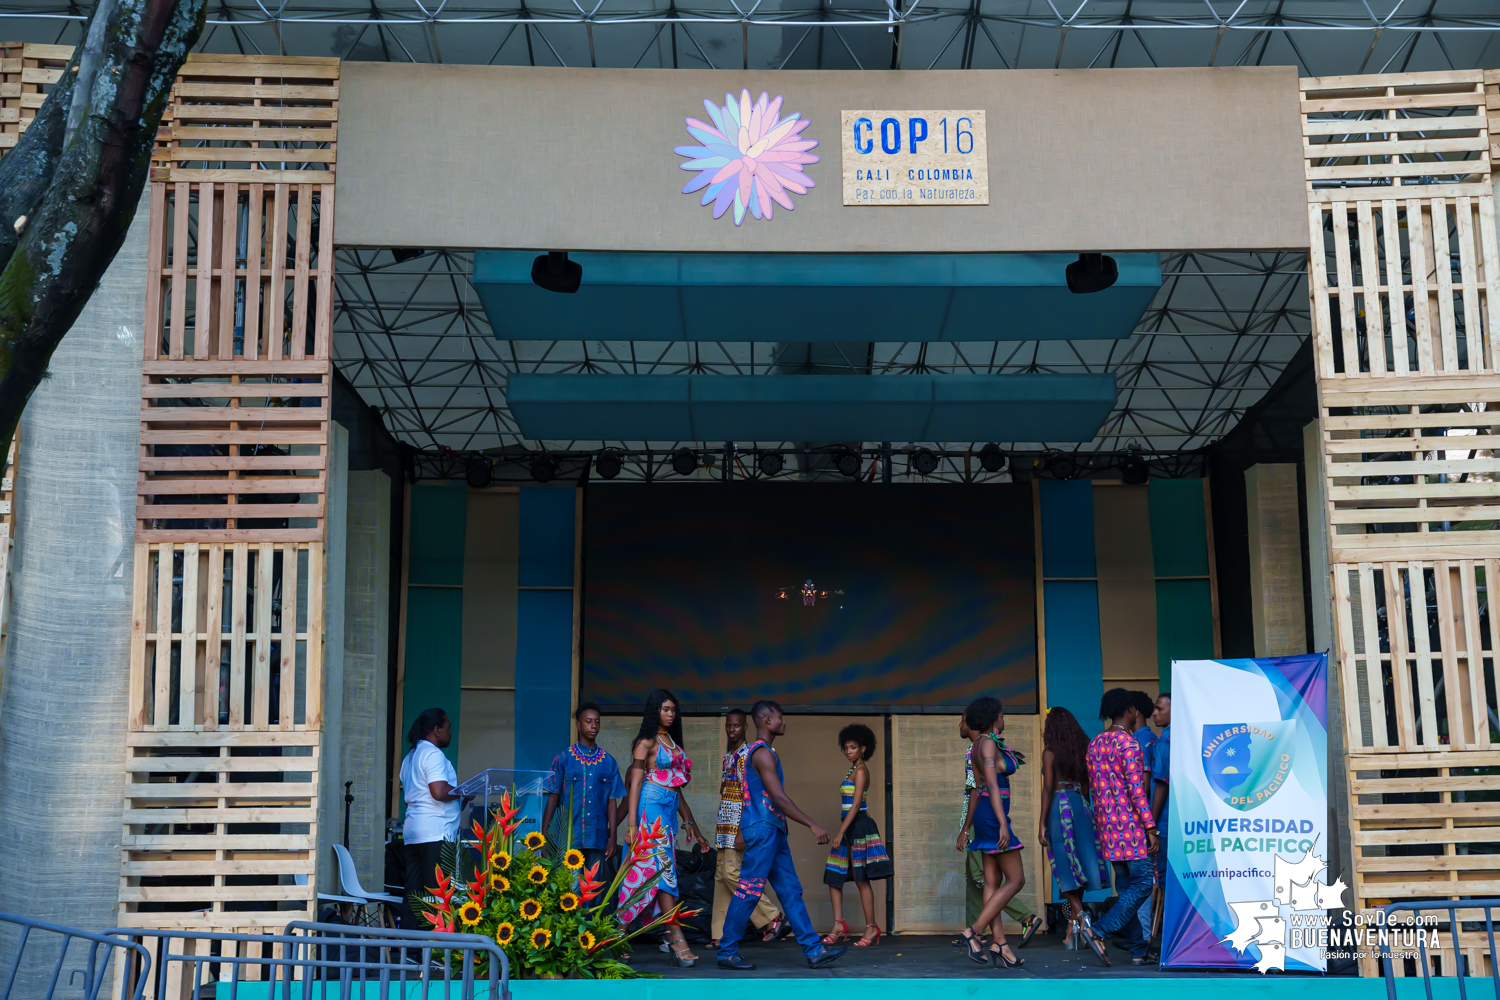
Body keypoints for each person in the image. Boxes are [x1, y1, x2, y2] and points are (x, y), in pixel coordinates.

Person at [716, 700, 847, 972]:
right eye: (780, 717)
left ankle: (813, 950)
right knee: (748, 891)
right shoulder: (761, 754)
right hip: (764, 830)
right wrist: (812, 824)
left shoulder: (765, 753)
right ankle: (726, 952)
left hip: (773, 830)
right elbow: (778, 797)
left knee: (790, 892)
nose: (784, 722)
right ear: (766, 721)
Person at [620, 689, 712, 967]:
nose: (671, 714)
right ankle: (674, 936)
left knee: (646, 874)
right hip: (649, 812)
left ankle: (617, 932)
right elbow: (635, 783)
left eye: (673, 709)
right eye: (665, 709)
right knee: (663, 873)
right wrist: (632, 824)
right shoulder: (645, 742)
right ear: (654, 711)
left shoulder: (671, 740)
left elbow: (675, 786)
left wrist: (691, 822)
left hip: (668, 815)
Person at [1085, 687, 1160, 966]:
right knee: (1142, 885)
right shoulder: (1129, 744)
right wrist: (1151, 828)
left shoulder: (1095, 744)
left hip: (1108, 832)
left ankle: (1139, 950)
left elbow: (1095, 791)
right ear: (1131, 710)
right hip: (1131, 830)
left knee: (1127, 888)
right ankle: (1098, 929)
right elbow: (1137, 790)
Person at [955, 716, 1041, 949]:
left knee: (992, 881)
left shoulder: (975, 746)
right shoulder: (988, 744)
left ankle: (1000, 944)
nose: (1004, 720)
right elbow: (991, 785)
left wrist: (966, 827)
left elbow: (976, 789)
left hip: (984, 814)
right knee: (1016, 879)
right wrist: (1003, 823)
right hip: (993, 815)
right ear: (993, 718)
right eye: (1002, 716)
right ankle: (973, 931)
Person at [1036, 706, 1112, 964]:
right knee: (1080, 860)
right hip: (1081, 806)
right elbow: (1088, 786)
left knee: (1065, 866)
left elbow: (1047, 789)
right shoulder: (1083, 749)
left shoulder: (1049, 753)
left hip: (1059, 806)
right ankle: (1071, 933)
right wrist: (1091, 815)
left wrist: (1041, 823)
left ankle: (1083, 918)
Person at [710, 709, 787, 947]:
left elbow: (748, 795)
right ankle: (719, 936)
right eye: (728, 726)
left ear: (745, 727)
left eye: (736, 725)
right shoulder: (727, 757)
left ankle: (772, 916)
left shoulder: (748, 754)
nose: (731, 729)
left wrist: (741, 829)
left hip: (738, 826)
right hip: (724, 825)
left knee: (733, 874)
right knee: (722, 878)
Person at [822, 723, 893, 947]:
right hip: (849, 826)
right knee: (834, 875)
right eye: (845, 748)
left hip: (859, 825)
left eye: (852, 747)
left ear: (863, 748)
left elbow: (855, 806)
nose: (848, 751)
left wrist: (839, 833)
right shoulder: (852, 770)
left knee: (861, 878)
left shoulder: (862, 771)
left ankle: (871, 927)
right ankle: (838, 924)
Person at [398, 708, 467, 933]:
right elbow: (438, 791)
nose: (451, 733)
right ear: (437, 730)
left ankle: (409, 950)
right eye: (447, 728)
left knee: (414, 893)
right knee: (438, 893)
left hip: (413, 832)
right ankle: (435, 949)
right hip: (435, 833)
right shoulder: (433, 754)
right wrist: (463, 790)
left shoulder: (410, 756)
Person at [540, 703, 627, 882]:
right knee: (568, 891)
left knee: (594, 891)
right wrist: (544, 836)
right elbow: (553, 799)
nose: (593, 726)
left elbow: (612, 802)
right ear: (578, 725)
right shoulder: (564, 758)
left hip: (598, 838)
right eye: (588, 722)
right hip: (568, 838)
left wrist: (612, 838)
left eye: (597, 722)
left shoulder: (608, 762)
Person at [1127, 690, 1159, 949]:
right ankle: (1139, 937)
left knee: (1142, 878)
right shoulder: (1150, 738)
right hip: (1148, 820)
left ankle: (1143, 938)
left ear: (1133, 712)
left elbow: (1144, 785)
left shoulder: (1140, 741)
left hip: (1143, 821)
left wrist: (1147, 823)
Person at [1147, 693, 1172, 941]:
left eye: (1159, 708)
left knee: (1164, 879)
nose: (1154, 713)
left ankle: (1165, 939)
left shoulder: (1165, 739)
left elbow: (1161, 784)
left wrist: (1151, 825)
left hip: (1166, 822)